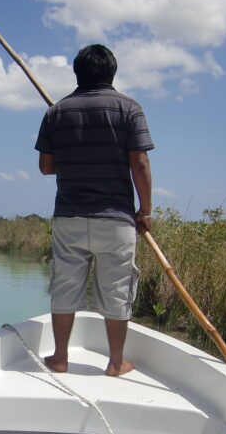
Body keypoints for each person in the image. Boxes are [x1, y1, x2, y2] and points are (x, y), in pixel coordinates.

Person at [35, 44, 154, 376]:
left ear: (77, 73)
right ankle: (116, 363)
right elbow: (140, 164)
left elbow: (46, 167)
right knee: (118, 289)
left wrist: (75, 155)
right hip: (116, 218)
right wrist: (144, 211)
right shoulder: (129, 108)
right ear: (112, 72)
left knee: (64, 287)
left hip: (70, 217)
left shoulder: (56, 112)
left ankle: (59, 358)